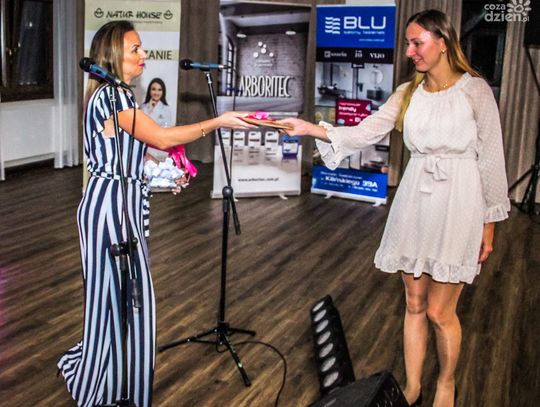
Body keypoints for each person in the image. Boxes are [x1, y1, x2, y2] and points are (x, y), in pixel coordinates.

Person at [279, 9, 510, 407]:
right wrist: (310, 128)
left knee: (440, 312)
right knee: (414, 304)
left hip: (459, 201)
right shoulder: (408, 93)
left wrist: (489, 223)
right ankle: (414, 385)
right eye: (407, 43)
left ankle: (446, 383)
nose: (409, 51)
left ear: (443, 42)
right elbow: (364, 132)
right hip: (416, 198)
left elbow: (491, 158)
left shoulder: (475, 90)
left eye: (417, 43)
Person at [57, 20, 254, 407]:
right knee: (115, 300)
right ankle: (107, 385)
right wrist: (218, 121)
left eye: (142, 47)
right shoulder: (111, 97)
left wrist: (163, 177)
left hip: (123, 205)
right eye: (135, 49)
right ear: (114, 55)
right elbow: (161, 138)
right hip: (108, 210)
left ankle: (117, 381)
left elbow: (134, 159)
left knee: (125, 301)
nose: (144, 54)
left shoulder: (121, 96)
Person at [140, 78, 173, 162]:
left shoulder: (166, 108)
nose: (156, 92)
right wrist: (150, 109)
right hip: (145, 144)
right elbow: (142, 126)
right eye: (153, 89)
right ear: (149, 91)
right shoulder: (143, 107)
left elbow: (168, 128)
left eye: (159, 90)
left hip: (160, 145)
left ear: (163, 92)